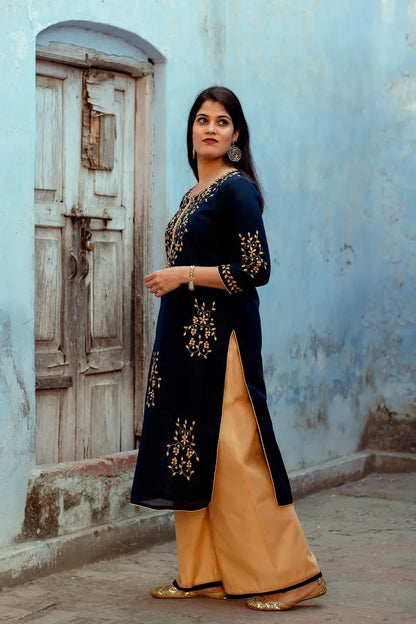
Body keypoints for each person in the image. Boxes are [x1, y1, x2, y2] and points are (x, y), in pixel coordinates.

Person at [131, 86, 326, 611]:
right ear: (191, 131)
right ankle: (203, 574)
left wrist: (183, 275)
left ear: (236, 135)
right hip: (183, 344)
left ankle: (288, 577)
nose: (210, 128)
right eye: (201, 120)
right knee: (192, 453)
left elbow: (255, 270)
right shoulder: (193, 194)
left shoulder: (237, 190)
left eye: (222, 121)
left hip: (224, 345)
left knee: (236, 455)